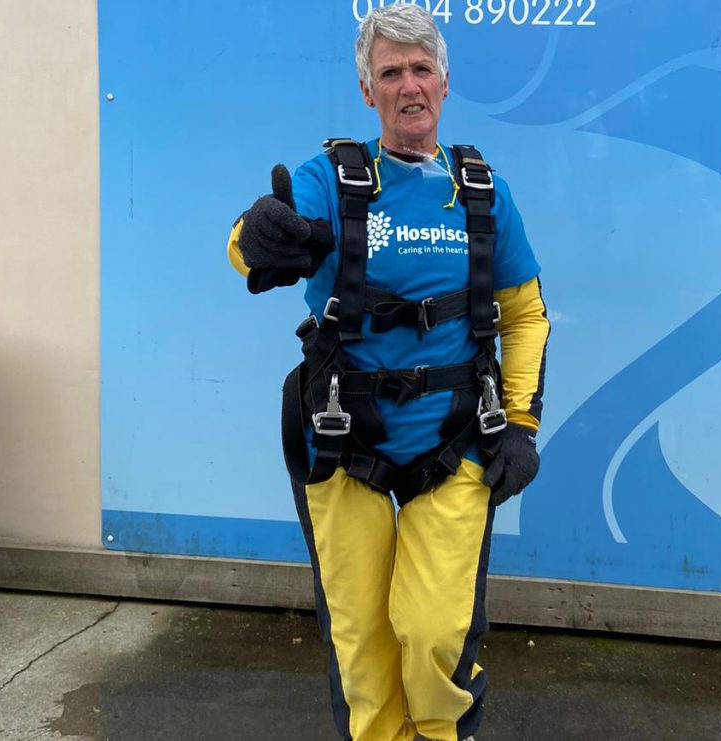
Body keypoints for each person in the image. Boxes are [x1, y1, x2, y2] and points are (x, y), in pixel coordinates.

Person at [226, 6, 550, 739]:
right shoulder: (331, 179)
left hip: (458, 439)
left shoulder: (481, 191)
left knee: (434, 630)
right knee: (363, 647)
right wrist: (263, 237)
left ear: (445, 82)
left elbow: (526, 314)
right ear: (367, 91)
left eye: (422, 69)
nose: (409, 86)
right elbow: (248, 245)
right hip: (343, 441)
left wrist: (523, 425)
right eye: (390, 72)